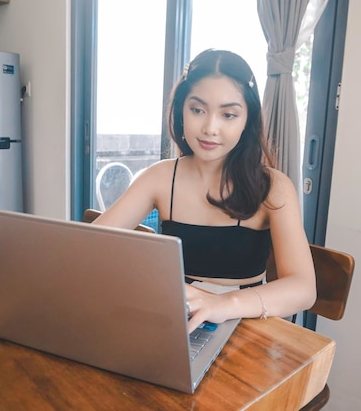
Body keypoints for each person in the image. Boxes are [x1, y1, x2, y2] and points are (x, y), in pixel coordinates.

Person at [94, 49, 316, 333]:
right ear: (180, 111)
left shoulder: (273, 188)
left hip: (246, 326)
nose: (210, 128)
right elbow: (90, 246)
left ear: (247, 120)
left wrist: (223, 304)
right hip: (178, 322)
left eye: (229, 114)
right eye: (197, 110)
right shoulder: (160, 177)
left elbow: (304, 288)